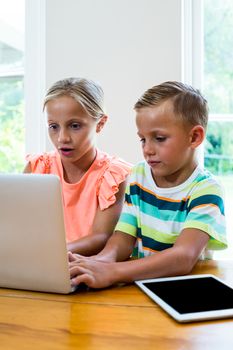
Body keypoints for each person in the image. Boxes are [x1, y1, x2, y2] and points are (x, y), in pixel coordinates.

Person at [69, 81, 227, 289]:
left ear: (195, 137)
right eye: (142, 139)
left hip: (186, 291)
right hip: (142, 286)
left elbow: (183, 257)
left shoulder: (207, 190)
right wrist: (101, 261)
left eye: (159, 138)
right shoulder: (138, 176)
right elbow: (123, 237)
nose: (148, 149)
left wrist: (113, 272)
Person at [24, 77, 132, 255]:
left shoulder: (113, 175)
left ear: (100, 124)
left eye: (74, 126)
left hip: (85, 266)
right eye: (53, 126)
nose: (62, 138)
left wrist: (54, 254)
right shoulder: (37, 168)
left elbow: (101, 237)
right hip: (39, 262)